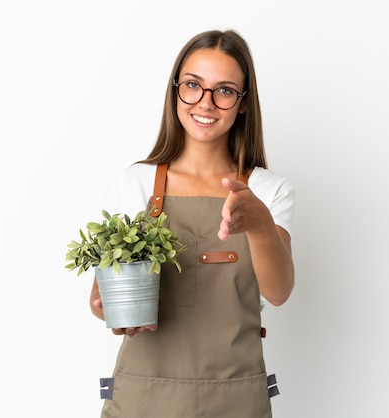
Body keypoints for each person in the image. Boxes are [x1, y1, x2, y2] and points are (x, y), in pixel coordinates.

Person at [89, 29, 295, 418]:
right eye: (193, 85)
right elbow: (100, 299)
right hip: (143, 399)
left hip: (236, 399)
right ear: (175, 90)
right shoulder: (135, 182)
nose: (206, 102)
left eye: (224, 90)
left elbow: (280, 292)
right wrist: (114, 313)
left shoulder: (269, 191)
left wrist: (259, 223)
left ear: (244, 103)